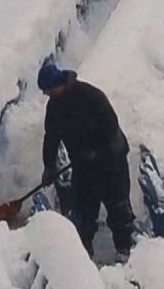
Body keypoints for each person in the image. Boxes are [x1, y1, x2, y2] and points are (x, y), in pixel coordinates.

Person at [38, 61, 135, 260]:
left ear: (58, 84)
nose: (47, 95)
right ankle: (83, 255)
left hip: (111, 161)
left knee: (118, 206)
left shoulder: (91, 96)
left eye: (48, 90)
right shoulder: (54, 107)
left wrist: (95, 150)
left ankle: (124, 251)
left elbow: (110, 125)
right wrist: (48, 166)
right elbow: (51, 138)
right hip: (83, 165)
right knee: (83, 211)